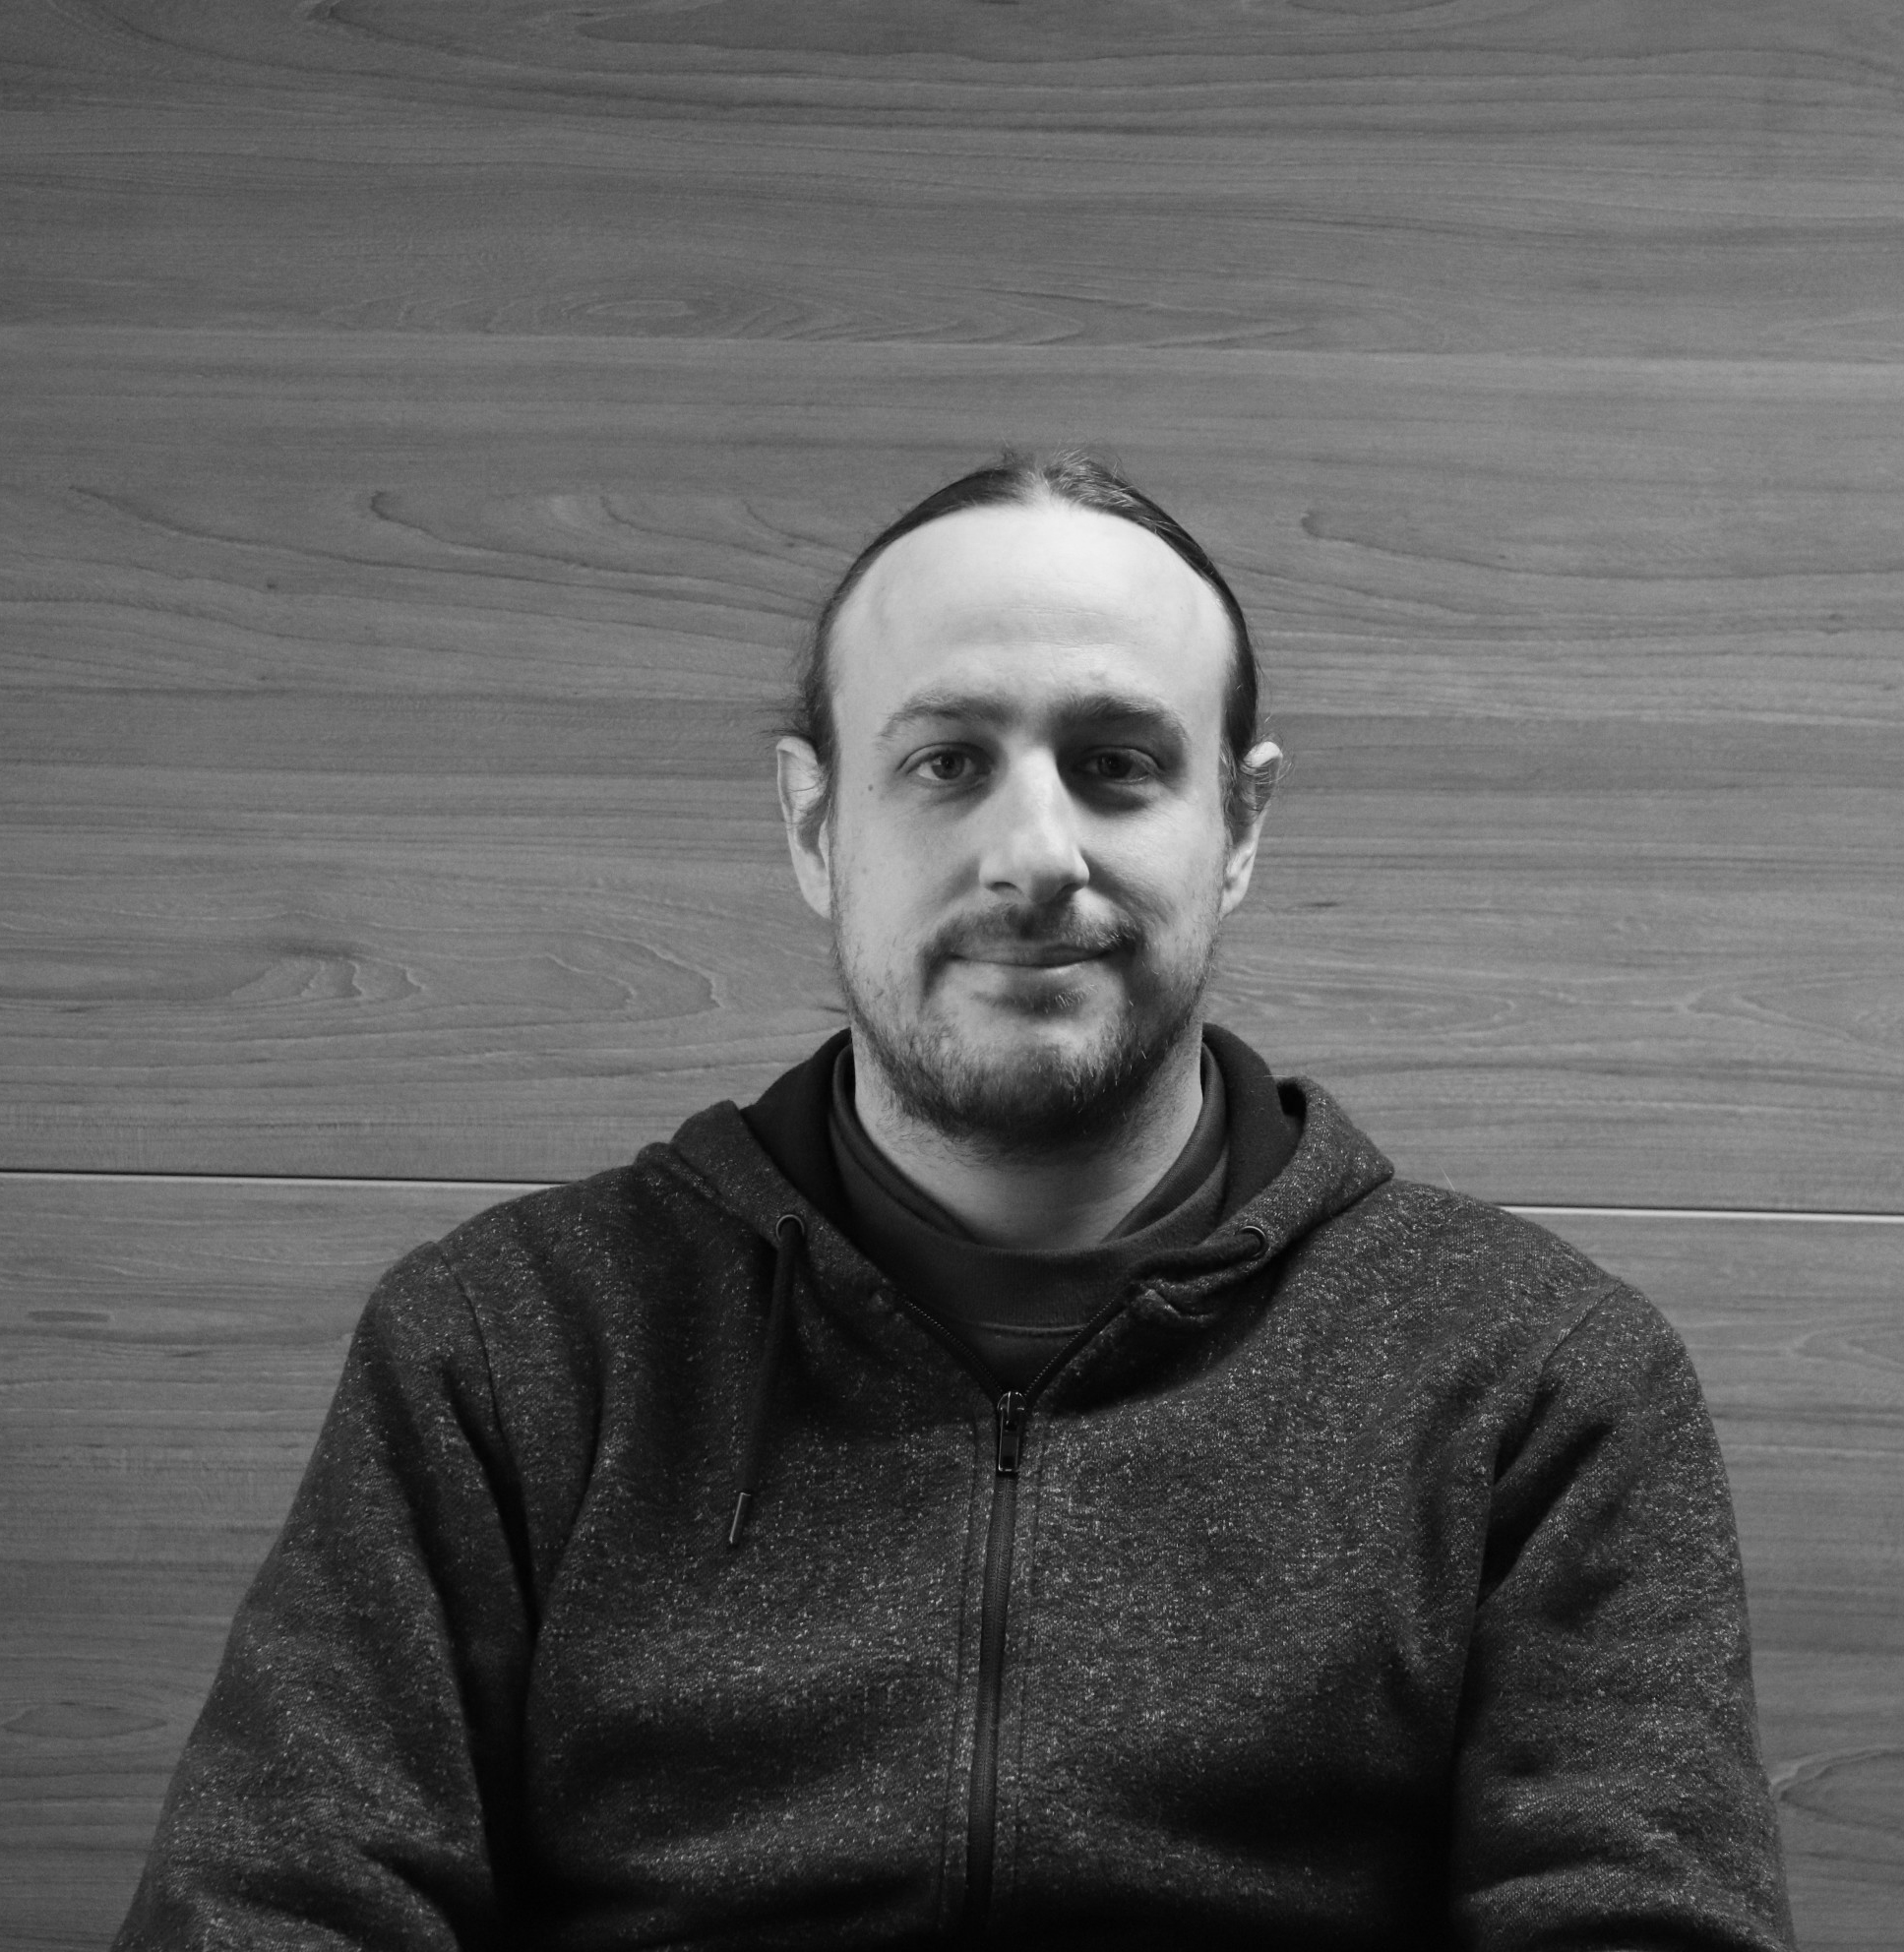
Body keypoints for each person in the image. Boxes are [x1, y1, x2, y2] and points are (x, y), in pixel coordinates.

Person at [115, 454, 1797, 1949]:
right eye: (945, 764)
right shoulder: (510, 1347)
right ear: (813, 824)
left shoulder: (1537, 1378)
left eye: (1120, 761)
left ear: (1240, 826)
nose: (1034, 852)